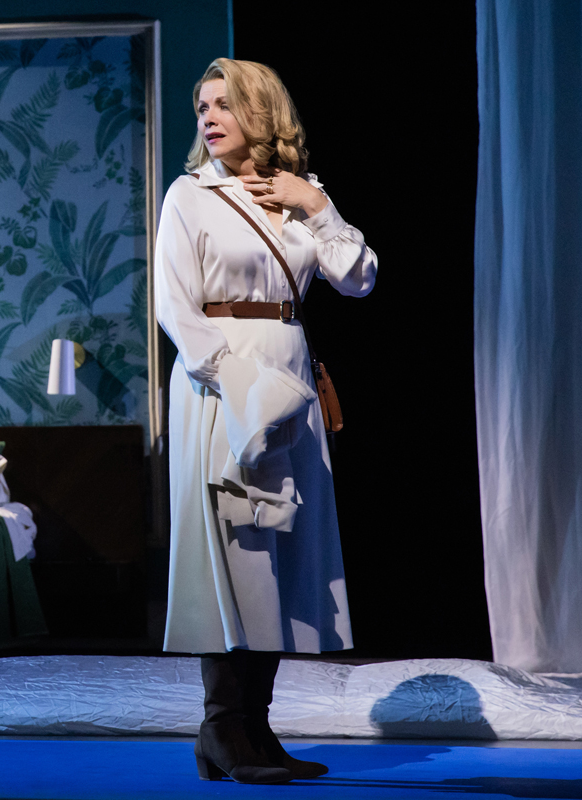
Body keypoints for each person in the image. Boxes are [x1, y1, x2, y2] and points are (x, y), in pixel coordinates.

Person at [154, 58, 378, 784]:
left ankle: (255, 727)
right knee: (235, 550)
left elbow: (358, 278)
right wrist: (235, 382)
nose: (208, 117)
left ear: (261, 111)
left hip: (290, 380)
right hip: (223, 384)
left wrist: (315, 202)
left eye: (224, 104)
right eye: (202, 107)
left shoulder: (300, 196)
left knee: (280, 552)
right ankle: (222, 726)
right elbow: (174, 305)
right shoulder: (190, 195)